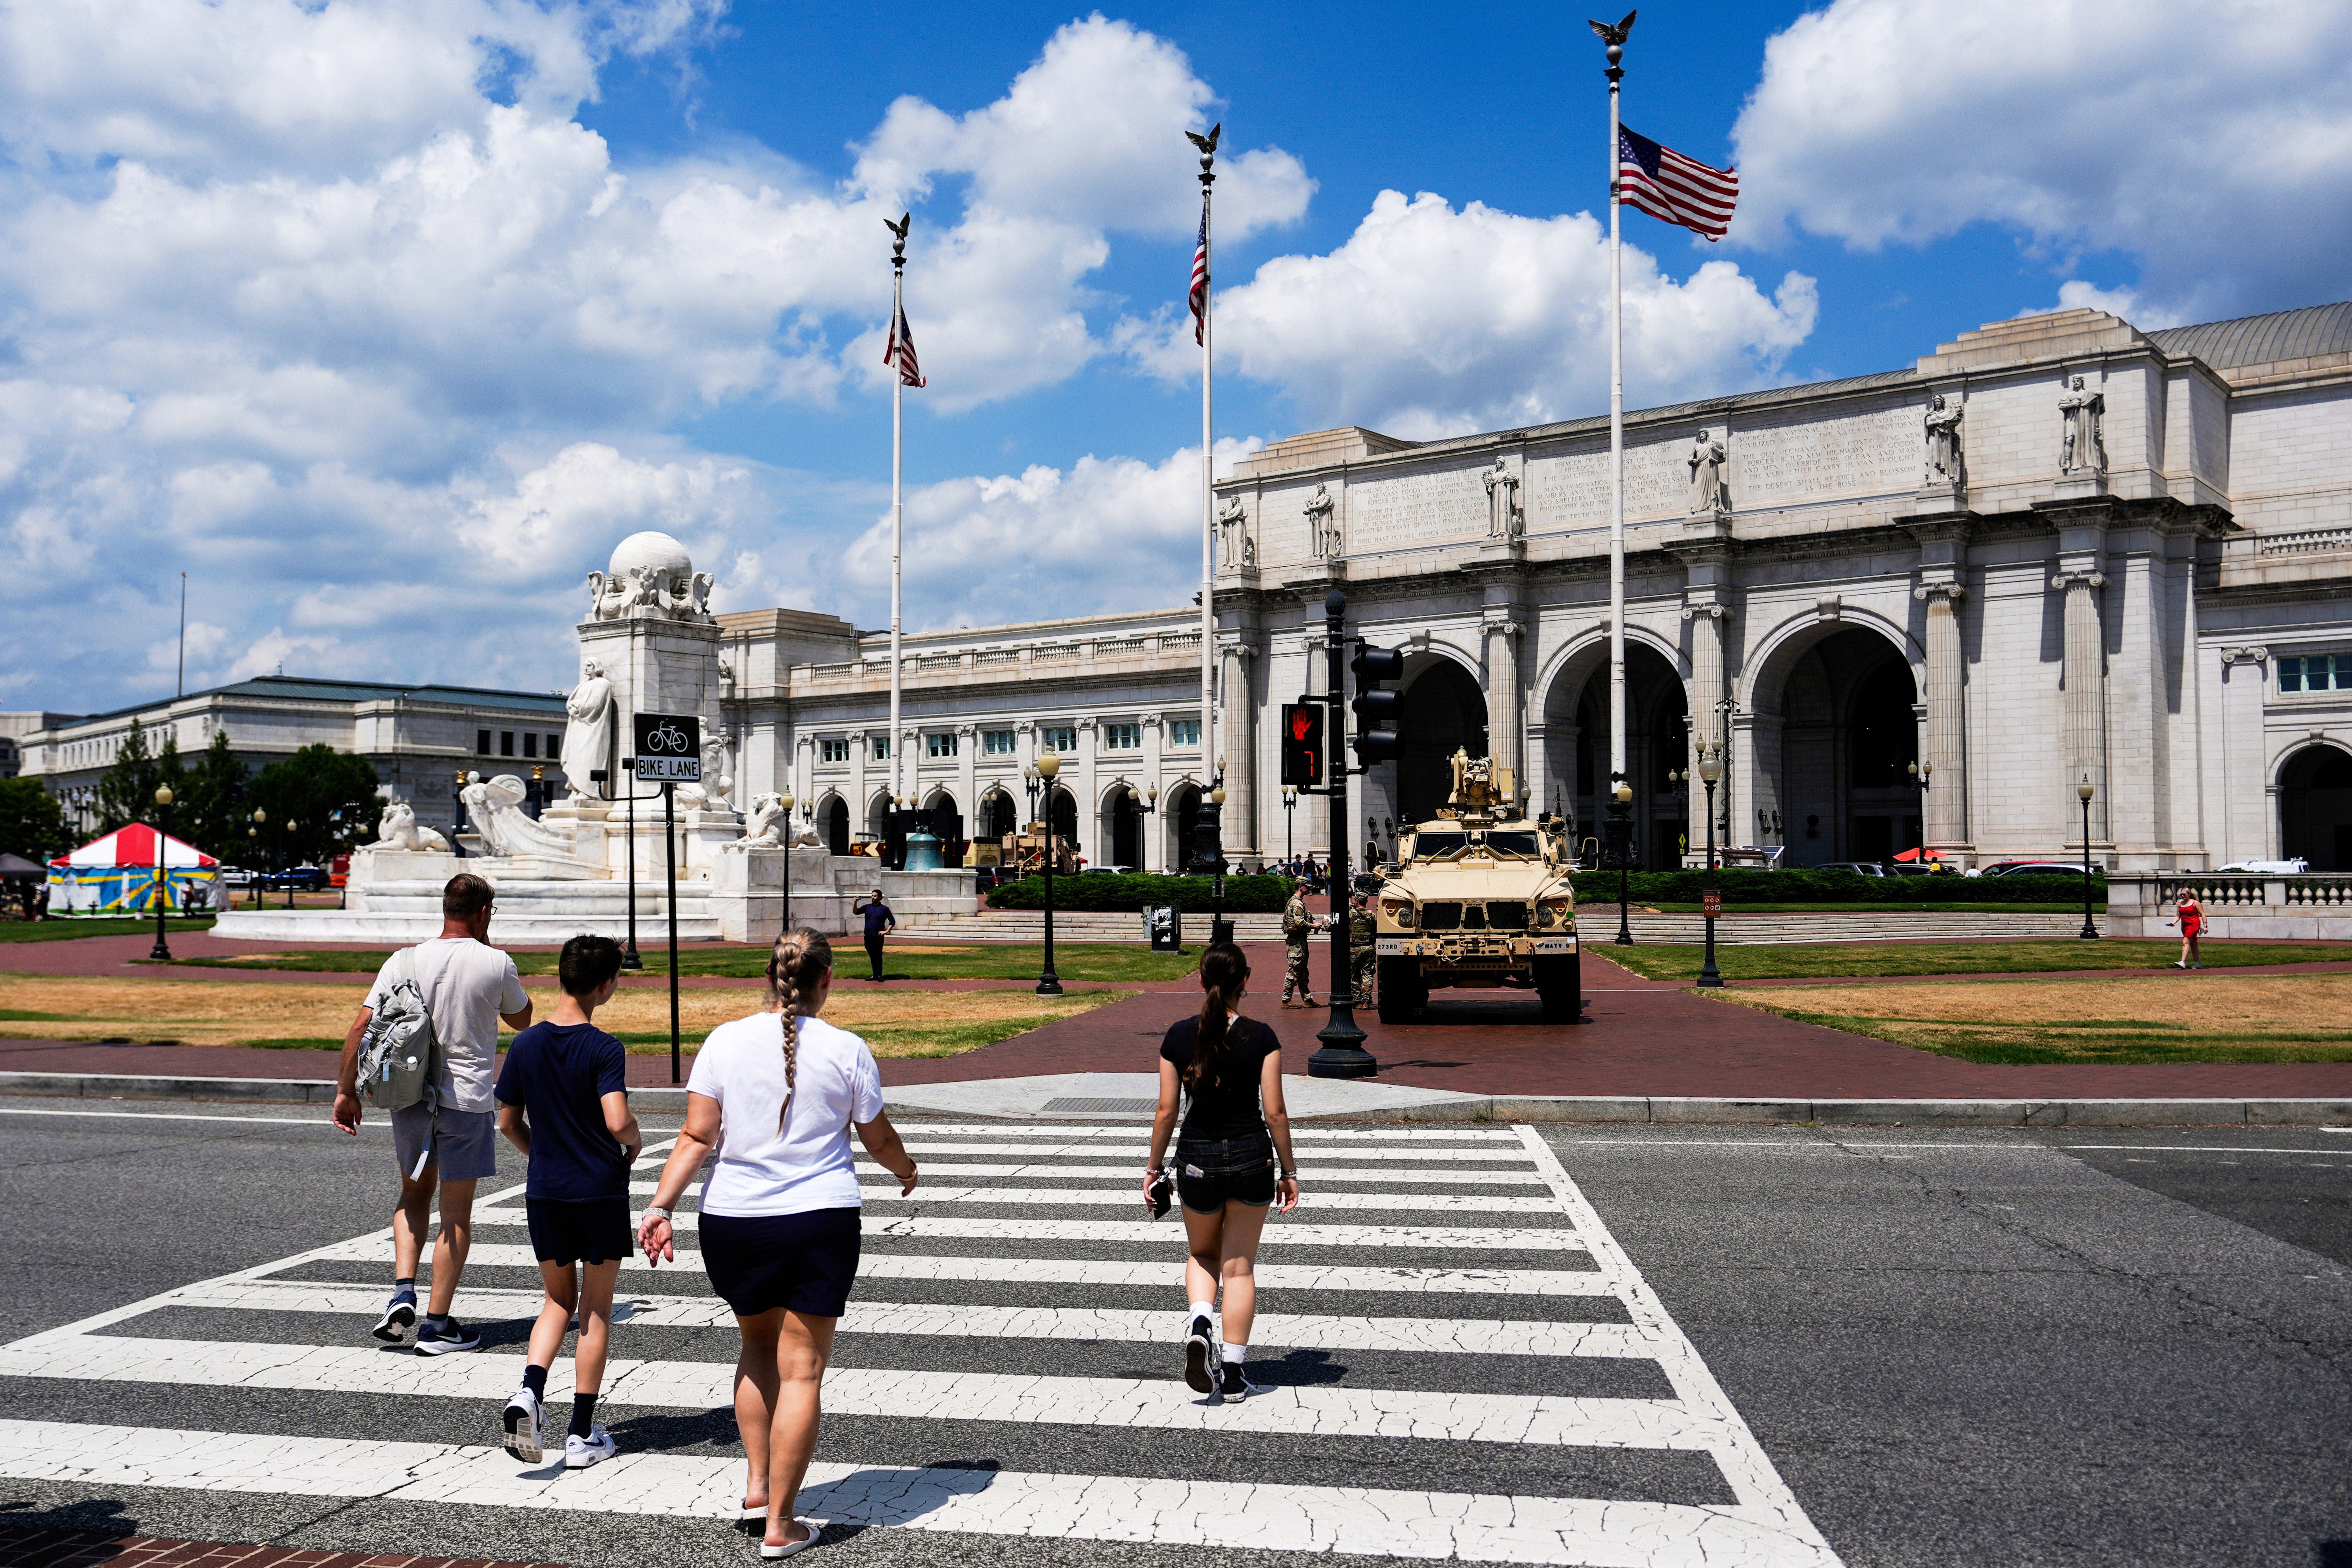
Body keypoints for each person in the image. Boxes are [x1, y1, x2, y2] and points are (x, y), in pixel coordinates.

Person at [637, 928, 919, 1559]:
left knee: (756, 1348)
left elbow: (696, 1135)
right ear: (826, 981)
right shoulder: (847, 1048)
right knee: (803, 1370)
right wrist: (905, 1170)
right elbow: (876, 1137)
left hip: (734, 1219)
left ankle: (759, 1484)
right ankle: (782, 1523)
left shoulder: (722, 1041)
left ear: (770, 977)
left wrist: (660, 1205)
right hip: (818, 1219)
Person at [334, 872, 531, 1354]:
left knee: (413, 1194)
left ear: (445, 908)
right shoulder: (495, 962)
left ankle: (403, 1291)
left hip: (410, 1096)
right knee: (457, 1215)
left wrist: (347, 1092)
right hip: (466, 1100)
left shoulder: (402, 960)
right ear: (484, 912)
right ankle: (438, 1324)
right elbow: (522, 1019)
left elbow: (361, 1027)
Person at [494, 934, 642, 1469]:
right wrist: (634, 1143)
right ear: (604, 986)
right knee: (595, 1309)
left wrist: (543, 1153)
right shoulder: (604, 1047)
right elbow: (617, 1120)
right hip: (599, 1187)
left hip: (547, 1189)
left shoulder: (525, 1045)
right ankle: (581, 1433)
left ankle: (530, 1391)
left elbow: (508, 1121)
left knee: (557, 1301)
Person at [1145, 942, 1300, 1402]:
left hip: (1196, 1158)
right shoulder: (1263, 1037)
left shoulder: (1177, 1037)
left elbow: (1166, 1110)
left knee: (1202, 1255)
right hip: (1253, 1155)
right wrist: (1289, 1171)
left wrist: (1154, 1168)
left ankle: (1200, 1322)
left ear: (1199, 980)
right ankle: (1233, 1374)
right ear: (1245, 981)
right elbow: (1275, 1113)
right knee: (1239, 1267)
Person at [1280, 880, 1318, 1008]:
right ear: (1301, 887)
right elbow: (1300, 922)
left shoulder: (1297, 901)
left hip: (1300, 940)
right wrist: (1313, 926)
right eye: (1307, 887)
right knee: (1294, 971)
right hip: (1296, 941)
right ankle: (1286, 1000)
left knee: (1302, 972)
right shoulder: (1297, 903)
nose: (1309, 890)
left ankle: (1308, 999)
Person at [853, 887, 895, 983]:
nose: (873, 897)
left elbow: (892, 921)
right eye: (872, 896)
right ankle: (875, 974)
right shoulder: (867, 907)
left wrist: (886, 931)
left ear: (880, 898)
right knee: (872, 955)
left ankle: (879, 975)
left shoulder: (885, 909)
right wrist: (855, 903)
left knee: (878, 955)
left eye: (875, 896)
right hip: (868, 935)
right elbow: (856, 912)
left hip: (878, 936)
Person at [1347, 893, 1377, 1006]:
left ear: (1357, 901)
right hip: (1369, 948)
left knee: (1354, 975)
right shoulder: (1372, 915)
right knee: (1368, 974)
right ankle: (1366, 1001)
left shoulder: (1350, 914)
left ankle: (1358, 1001)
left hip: (1355, 949)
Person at [2172, 889, 2204, 970]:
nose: (2182, 896)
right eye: (2181, 895)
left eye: (2184, 894)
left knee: (2186, 941)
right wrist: (2173, 923)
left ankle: (2183, 962)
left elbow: (2202, 914)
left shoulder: (2195, 903)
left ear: (2189, 894)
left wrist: (2206, 926)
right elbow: (2178, 916)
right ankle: (2198, 963)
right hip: (2185, 926)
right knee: (2193, 943)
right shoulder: (2181, 904)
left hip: (2194, 924)